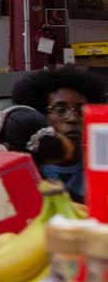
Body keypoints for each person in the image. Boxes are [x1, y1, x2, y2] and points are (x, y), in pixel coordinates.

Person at [10, 66, 108, 196]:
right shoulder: (22, 170)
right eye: (61, 110)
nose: (73, 119)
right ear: (40, 116)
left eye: (81, 111)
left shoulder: (101, 169)